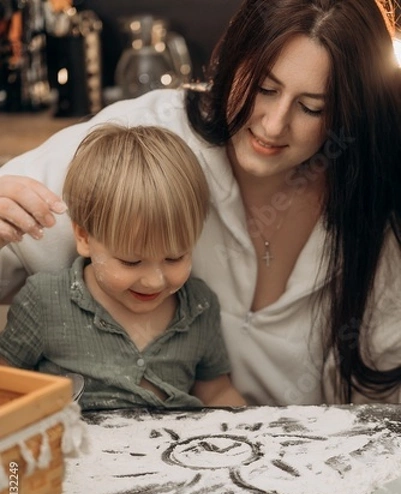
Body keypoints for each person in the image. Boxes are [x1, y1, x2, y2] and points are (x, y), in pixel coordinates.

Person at [0, 0, 400, 406]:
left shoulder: (373, 189)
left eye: (311, 107)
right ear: (231, 61)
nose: (274, 124)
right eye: (264, 88)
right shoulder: (145, 140)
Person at [0, 124, 246, 409]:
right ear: (83, 236)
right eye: (131, 261)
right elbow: (7, 382)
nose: (154, 281)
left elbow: (216, 392)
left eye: (175, 257)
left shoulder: (199, 306)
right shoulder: (44, 301)